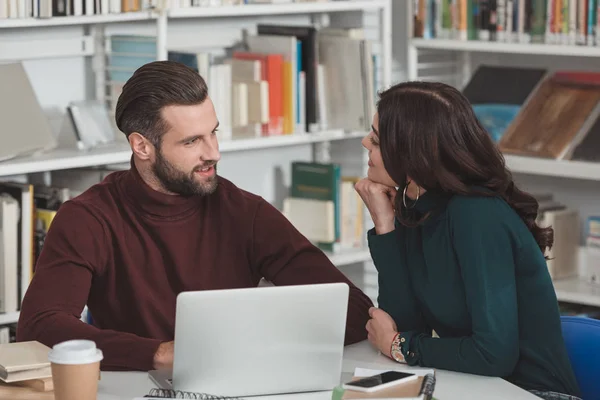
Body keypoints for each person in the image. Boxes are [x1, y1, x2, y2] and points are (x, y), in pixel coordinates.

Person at [17, 61, 373, 371]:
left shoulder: (245, 212)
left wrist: (259, 343)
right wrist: (157, 354)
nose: (214, 153)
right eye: (191, 142)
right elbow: (39, 326)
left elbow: (353, 311)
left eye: (213, 132)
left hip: (235, 383)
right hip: (132, 388)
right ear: (142, 146)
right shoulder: (87, 219)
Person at [357, 81, 581, 400]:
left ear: (412, 152)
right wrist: (385, 224)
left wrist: (399, 346)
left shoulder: (476, 215)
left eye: (377, 140)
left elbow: (493, 355)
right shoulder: (416, 204)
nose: (366, 142)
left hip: (531, 392)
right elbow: (404, 324)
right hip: (471, 386)